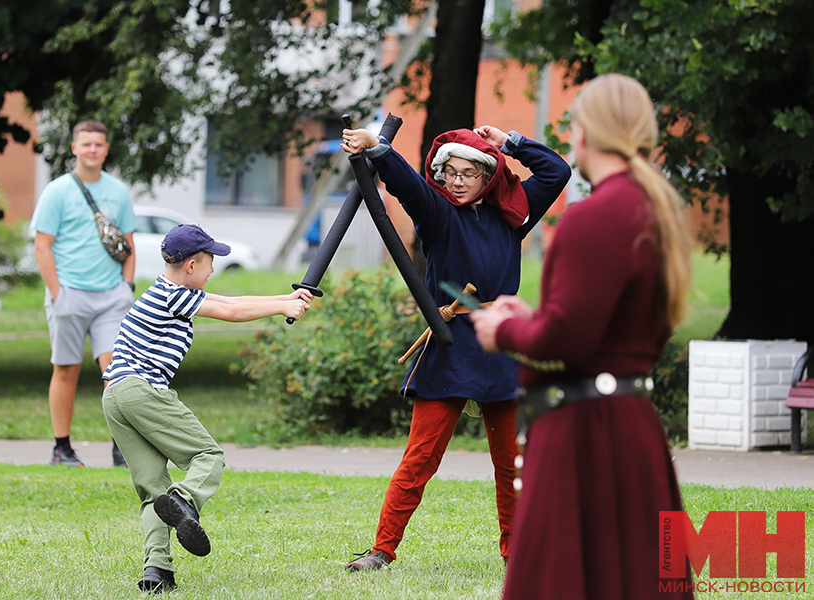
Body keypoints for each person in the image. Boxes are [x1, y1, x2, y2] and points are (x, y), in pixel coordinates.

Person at [471, 74, 694, 599]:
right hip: (631, 429)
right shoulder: (656, 212)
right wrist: (534, 315)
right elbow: (603, 329)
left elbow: (565, 341)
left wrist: (505, 329)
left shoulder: (594, 217)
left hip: (585, 436)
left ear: (586, 132)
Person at [339, 123, 571, 570]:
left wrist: (511, 143)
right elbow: (406, 182)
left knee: (514, 465)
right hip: (451, 345)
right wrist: (377, 146)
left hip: (501, 346)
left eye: (469, 173)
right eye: (451, 172)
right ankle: (382, 550)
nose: (459, 180)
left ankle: (517, 552)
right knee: (420, 458)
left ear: (488, 178)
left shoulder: (513, 216)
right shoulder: (438, 212)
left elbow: (557, 171)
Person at [101, 223, 312, 593]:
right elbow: (230, 311)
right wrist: (283, 305)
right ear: (191, 266)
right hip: (141, 389)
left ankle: (157, 571)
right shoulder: (174, 294)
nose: (214, 270)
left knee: (153, 488)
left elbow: (231, 302)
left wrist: (285, 300)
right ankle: (184, 502)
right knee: (208, 455)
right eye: (210, 263)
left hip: (114, 394)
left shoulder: (162, 290)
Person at [30, 119, 137, 468]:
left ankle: (122, 447)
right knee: (66, 369)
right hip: (70, 293)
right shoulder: (57, 191)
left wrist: (127, 287)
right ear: (74, 147)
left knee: (117, 371)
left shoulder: (118, 191)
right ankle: (62, 448)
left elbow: (129, 244)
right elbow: (42, 247)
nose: (92, 150)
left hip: (111, 297)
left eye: (99, 144)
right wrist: (58, 293)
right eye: (86, 144)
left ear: (106, 149)